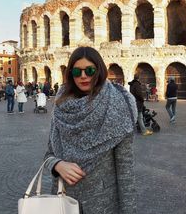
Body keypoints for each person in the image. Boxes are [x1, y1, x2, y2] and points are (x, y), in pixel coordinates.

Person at [44, 46, 137, 213]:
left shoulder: (117, 105)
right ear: (70, 74)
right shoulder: (61, 106)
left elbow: (125, 171)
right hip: (63, 199)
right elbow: (49, 154)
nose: (83, 76)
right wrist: (57, 165)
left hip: (102, 204)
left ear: (99, 70)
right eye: (77, 72)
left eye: (89, 70)